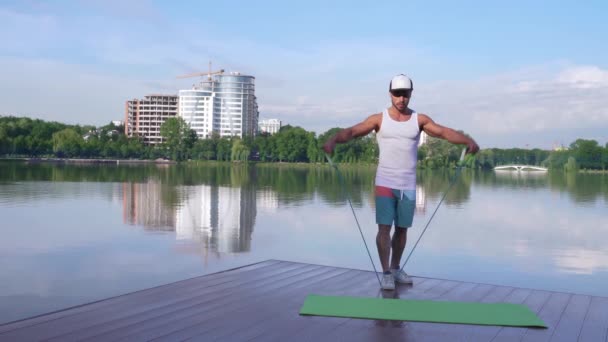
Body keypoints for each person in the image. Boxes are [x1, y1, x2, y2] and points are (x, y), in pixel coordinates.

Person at [323, 74, 479, 290]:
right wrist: (332, 140)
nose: (401, 98)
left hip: (408, 184)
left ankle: (396, 268)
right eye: (397, 93)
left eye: (405, 94)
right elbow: (353, 131)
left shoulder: (419, 120)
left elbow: (443, 132)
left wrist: (467, 140)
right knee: (384, 228)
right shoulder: (379, 119)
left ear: (411, 94)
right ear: (390, 94)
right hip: (385, 182)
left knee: (403, 229)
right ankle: (386, 272)